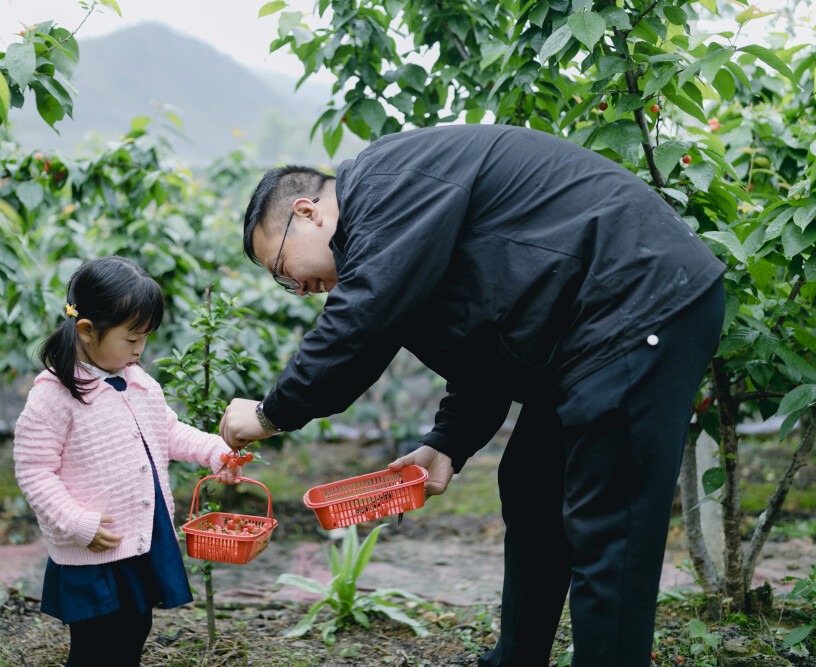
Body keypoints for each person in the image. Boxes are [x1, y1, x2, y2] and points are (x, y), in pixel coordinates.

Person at [219, 124, 726, 666]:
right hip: (588, 332)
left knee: (610, 525)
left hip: (638, 303)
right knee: (531, 484)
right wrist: (449, 441)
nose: (300, 290)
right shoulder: (396, 238)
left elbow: (362, 321)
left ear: (307, 213)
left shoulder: (382, 182)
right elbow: (483, 345)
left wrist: (272, 413)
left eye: (283, 272)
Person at [14, 255, 240, 667]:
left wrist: (214, 451)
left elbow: (167, 431)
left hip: (138, 538)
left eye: (145, 338)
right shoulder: (54, 396)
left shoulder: (140, 384)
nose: (140, 349)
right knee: (96, 645)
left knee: (135, 630)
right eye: (131, 338)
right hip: (95, 545)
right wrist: (75, 522)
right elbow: (33, 470)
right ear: (86, 331)